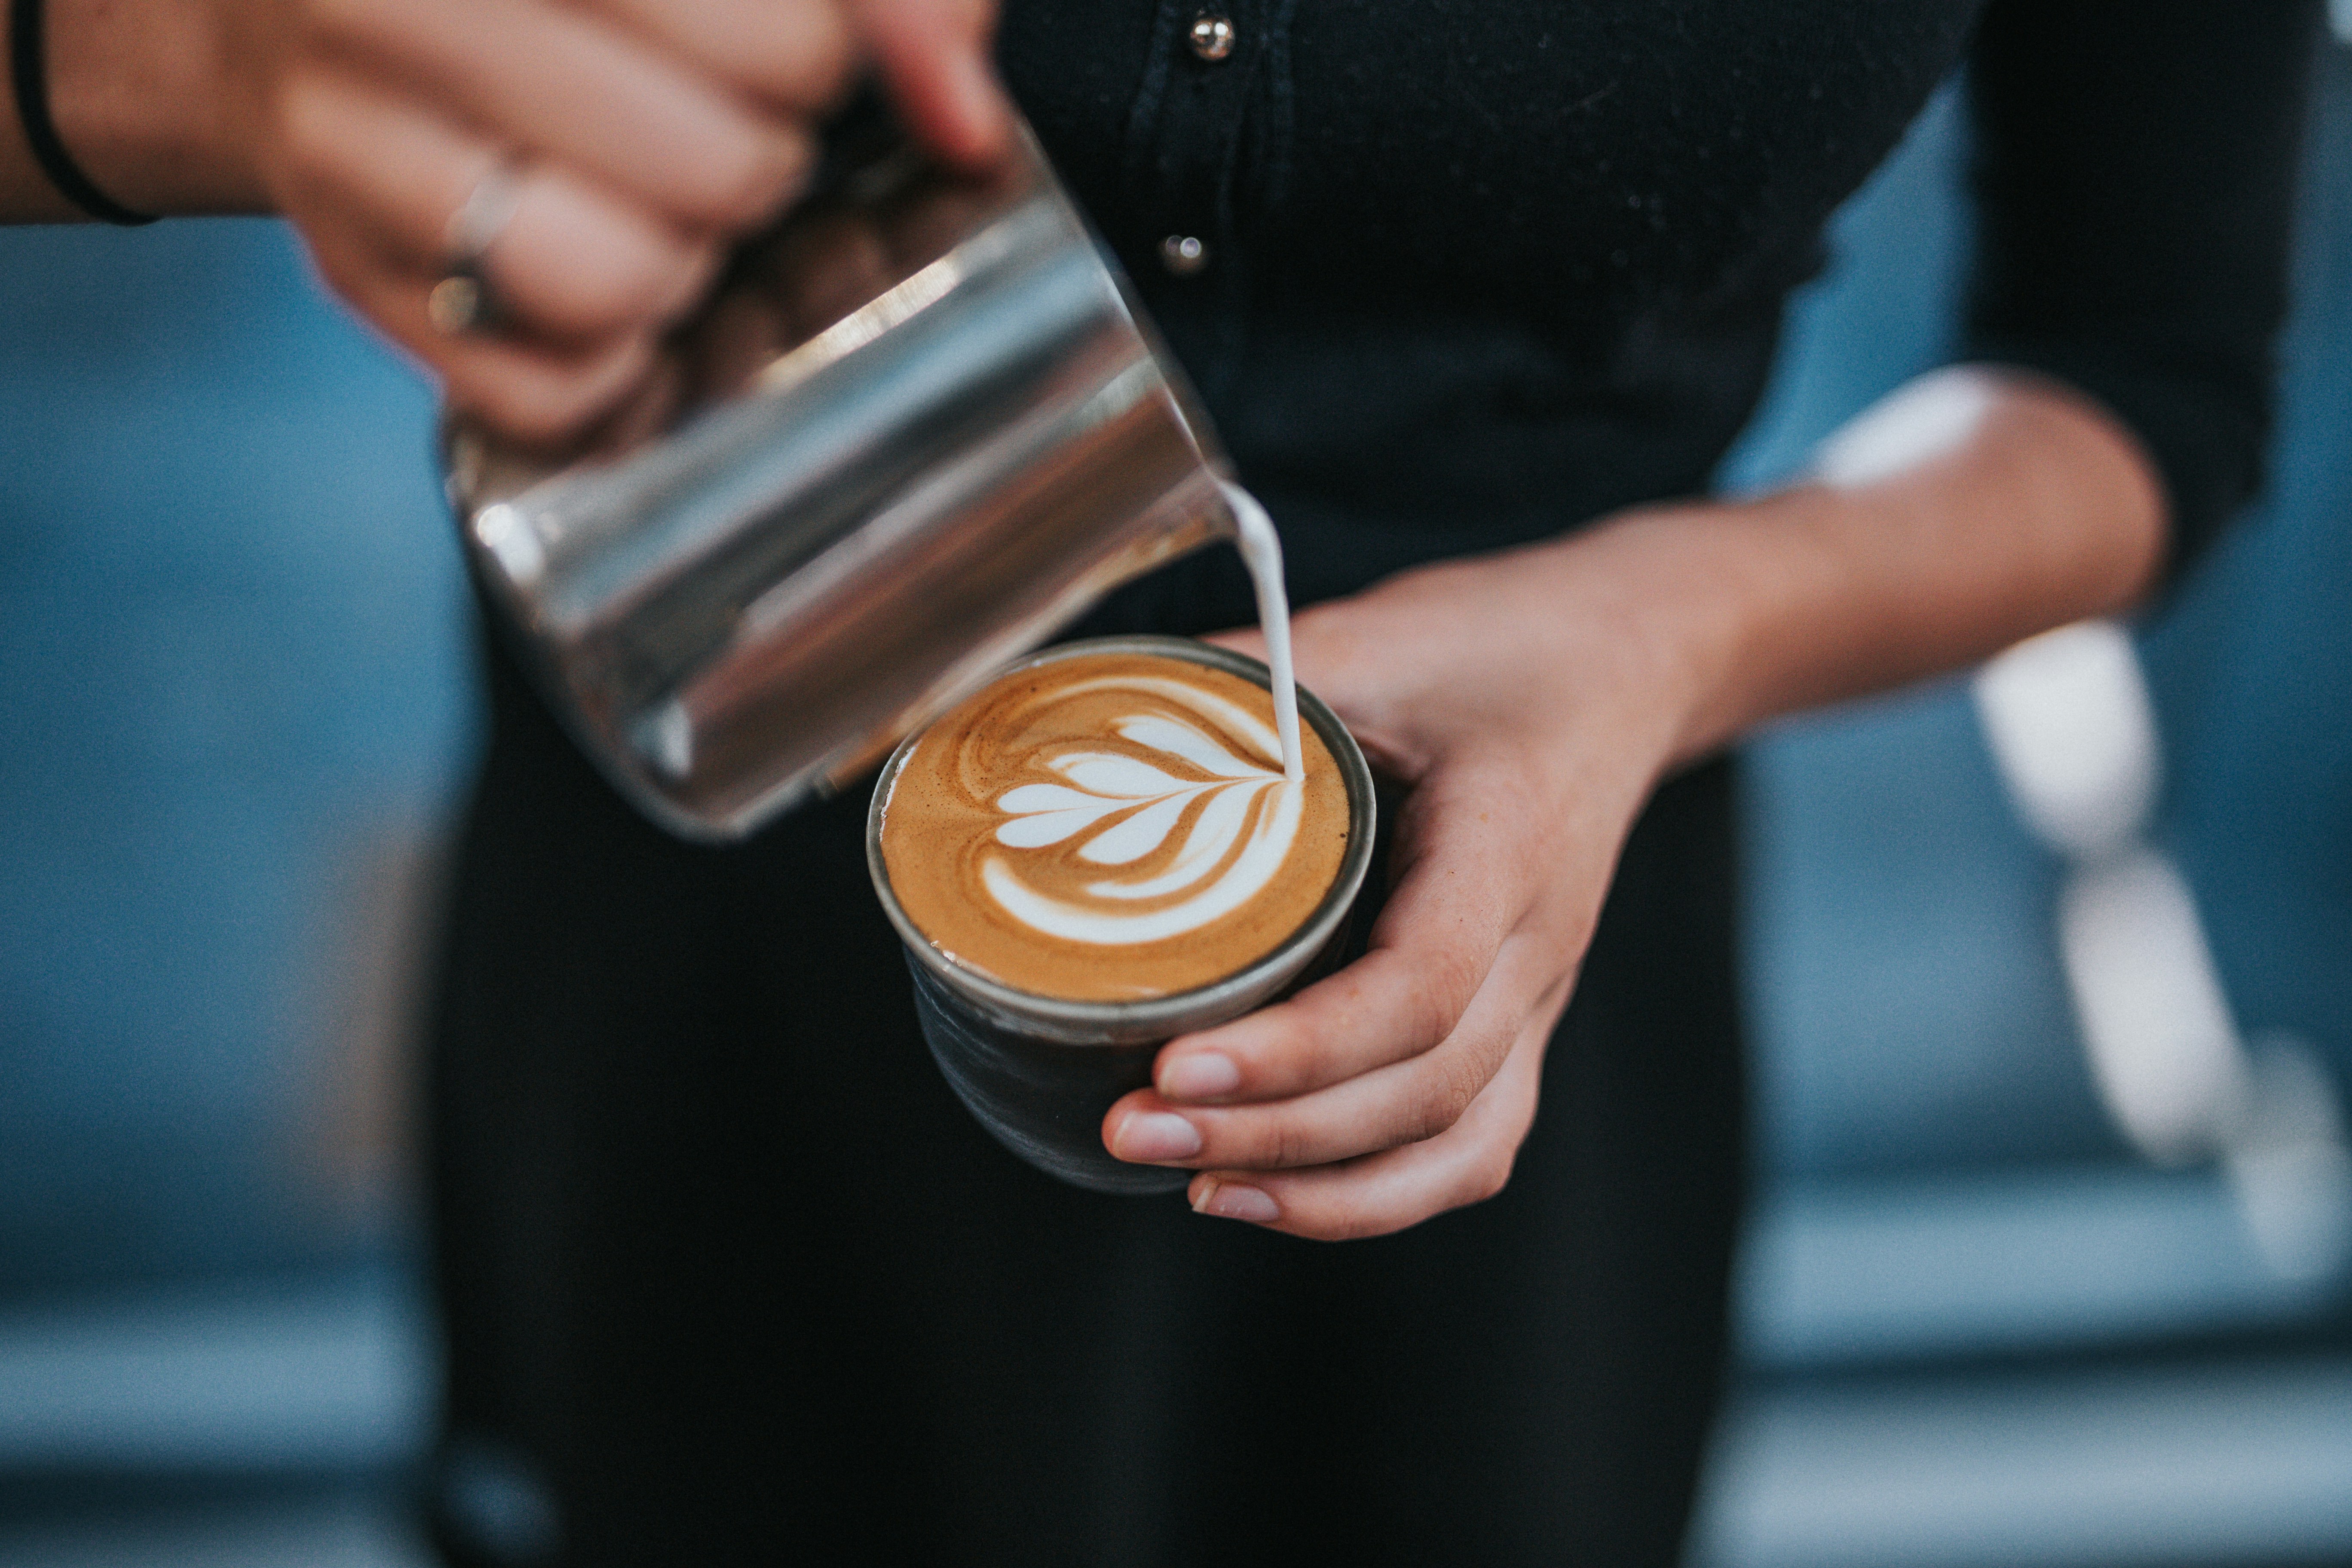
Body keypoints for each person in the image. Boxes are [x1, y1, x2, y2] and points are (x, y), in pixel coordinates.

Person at [4, 0, 2321, 1561]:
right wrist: (191, 61)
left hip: (1512, 929)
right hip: (710, 851)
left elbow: (2146, 381)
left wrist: (1658, 634)